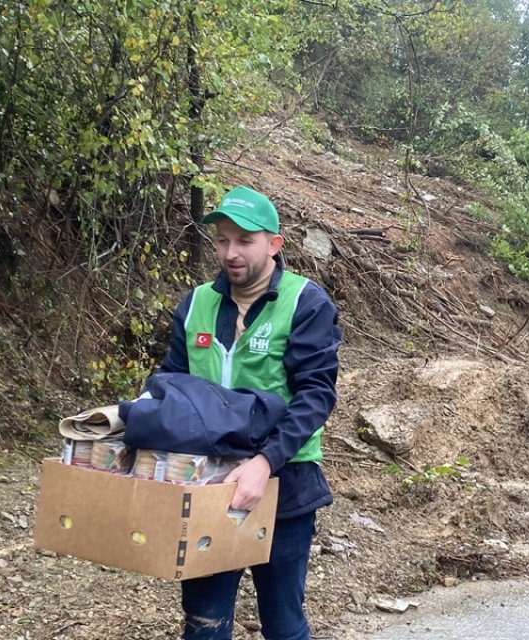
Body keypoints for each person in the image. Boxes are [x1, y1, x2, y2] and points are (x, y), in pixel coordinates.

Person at [155, 185, 341, 640]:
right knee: (204, 624)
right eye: (222, 240)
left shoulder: (306, 303)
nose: (230, 252)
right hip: (208, 484)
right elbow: (171, 381)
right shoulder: (197, 302)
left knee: (283, 623)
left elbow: (315, 395)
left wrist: (264, 462)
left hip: (284, 482)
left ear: (274, 244)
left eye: (244, 241)